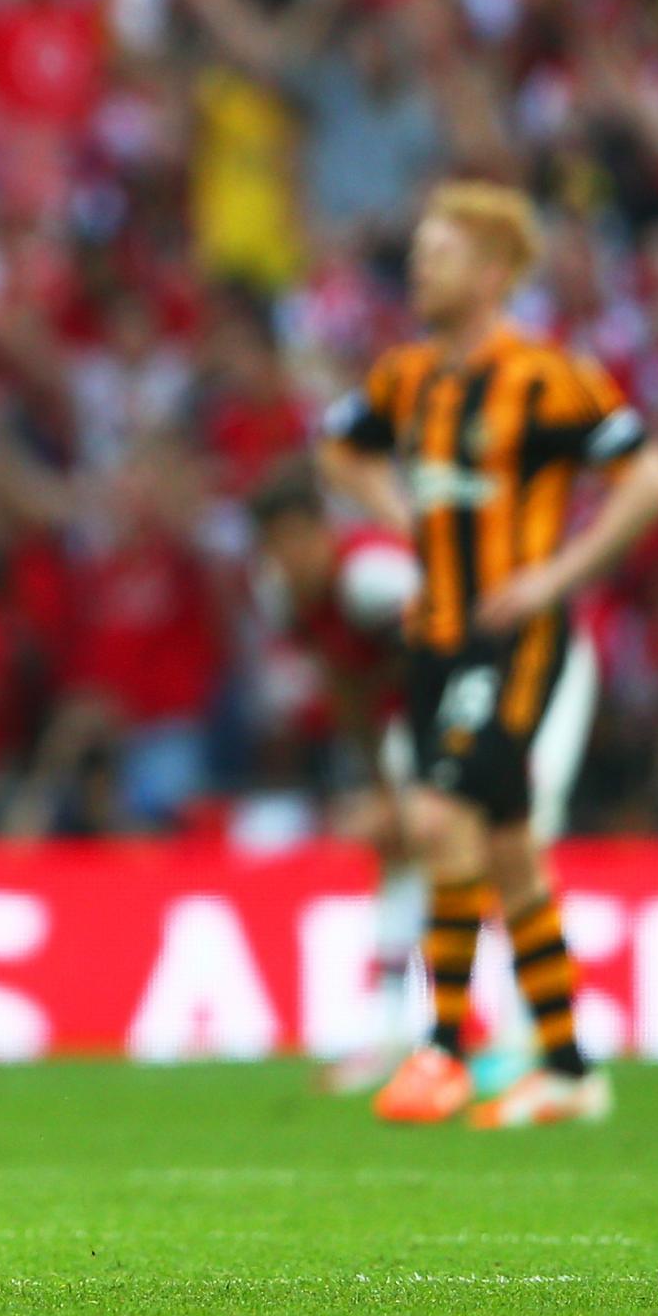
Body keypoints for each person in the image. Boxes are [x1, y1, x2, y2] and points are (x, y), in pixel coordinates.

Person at [321, 182, 658, 1127]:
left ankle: (441, 1048)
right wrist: (406, 519)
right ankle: (568, 1067)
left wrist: (560, 575)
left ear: (490, 272)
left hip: (512, 636)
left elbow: (652, 476)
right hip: (434, 637)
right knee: (514, 852)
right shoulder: (410, 377)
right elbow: (337, 449)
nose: (419, 266)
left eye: (438, 253)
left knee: (442, 818)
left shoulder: (544, 375)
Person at [247, 462, 427, 1093]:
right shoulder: (281, 595)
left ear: (324, 532)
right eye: (274, 546)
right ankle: (396, 1031)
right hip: (410, 714)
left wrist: (422, 779)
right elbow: (346, 685)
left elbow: (451, 646)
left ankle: (510, 1032)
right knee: (401, 845)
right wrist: (382, 778)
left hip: (493, 682)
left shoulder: (376, 579)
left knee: (472, 838)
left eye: (297, 540)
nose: (287, 559)